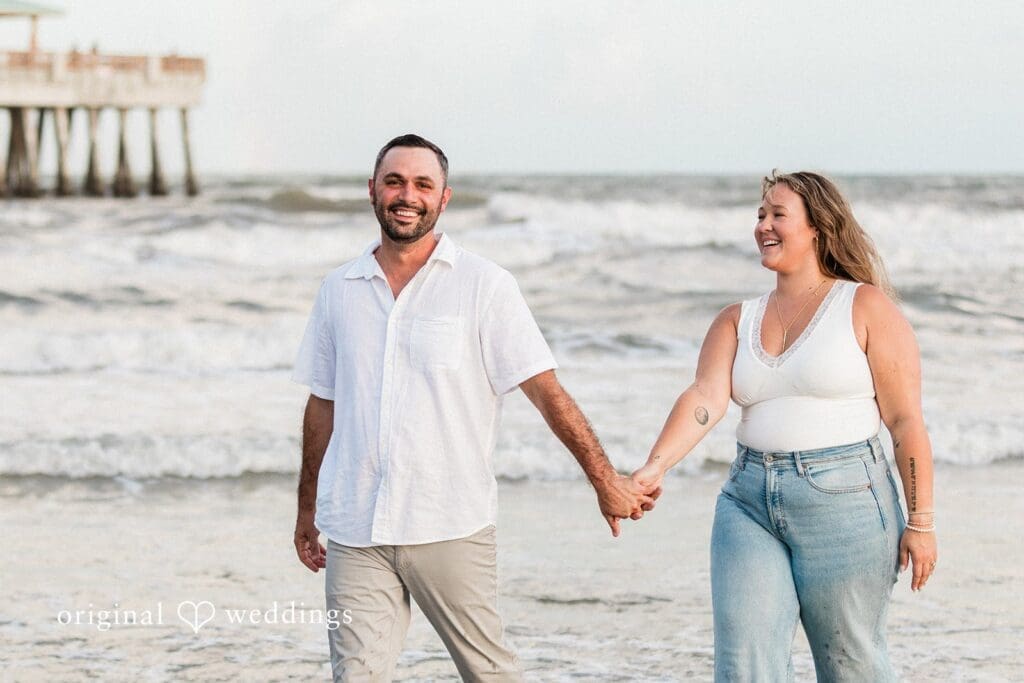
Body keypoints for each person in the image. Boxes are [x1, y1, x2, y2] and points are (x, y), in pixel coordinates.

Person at [291, 133, 657, 682]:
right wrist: (306, 508)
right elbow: (323, 404)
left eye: (422, 184)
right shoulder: (338, 289)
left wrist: (603, 479)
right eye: (393, 181)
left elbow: (545, 391)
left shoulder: (485, 286)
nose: (406, 194)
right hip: (355, 530)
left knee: (490, 675)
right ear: (372, 191)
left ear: (445, 198)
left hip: (449, 523)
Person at [632, 171, 938, 681]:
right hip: (747, 501)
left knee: (850, 664)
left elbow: (905, 421)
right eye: (759, 215)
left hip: (847, 500)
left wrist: (921, 522)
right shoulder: (737, 319)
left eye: (778, 214)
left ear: (817, 226)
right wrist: (654, 466)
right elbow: (704, 398)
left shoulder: (864, 306)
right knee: (743, 666)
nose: (763, 226)